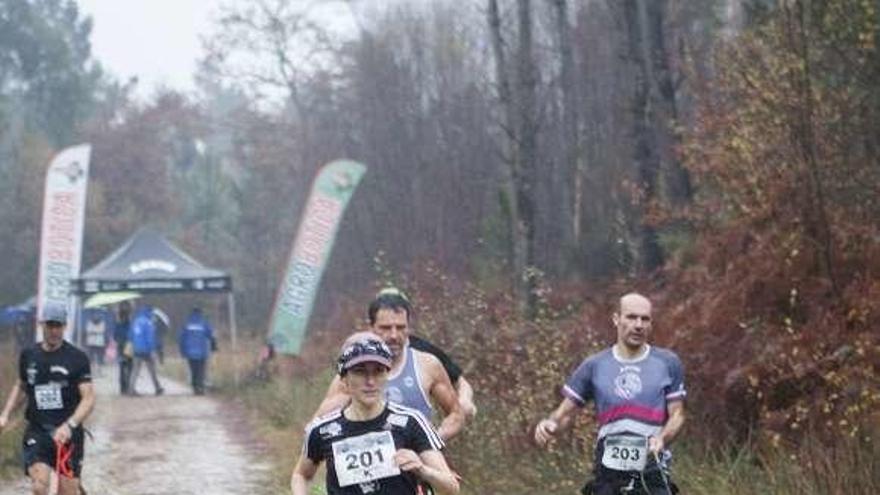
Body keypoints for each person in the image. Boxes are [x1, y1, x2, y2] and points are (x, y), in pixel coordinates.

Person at [534, 293, 686, 495]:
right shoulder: (594, 365)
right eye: (631, 317)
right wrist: (550, 425)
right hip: (608, 473)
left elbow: (678, 415)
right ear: (616, 319)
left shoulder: (668, 363)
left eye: (645, 319)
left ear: (651, 323)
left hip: (652, 470)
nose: (639, 325)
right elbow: (565, 414)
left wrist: (662, 439)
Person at [291, 333, 459, 495]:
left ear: (387, 376)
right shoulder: (322, 430)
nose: (370, 381)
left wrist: (423, 470)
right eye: (360, 371)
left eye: (378, 371)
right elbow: (301, 475)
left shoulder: (411, 422)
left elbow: (451, 487)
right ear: (344, 379)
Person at [315, 290, 467, 441]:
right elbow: (318, 425)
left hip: (418, 461)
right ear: (371, 328)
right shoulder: (353, 373)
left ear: (409, 327)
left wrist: (433, 439)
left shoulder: (427, 365)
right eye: (385, 328)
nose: (394, 335)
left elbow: (456, 414)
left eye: (401, 328)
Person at [0, 302, 96, 495]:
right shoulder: (29, 355)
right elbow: (21, 386)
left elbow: (89, 398)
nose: (53, 331)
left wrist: (70, 425)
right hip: (38, 431)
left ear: (64, 327)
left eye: (58, 326)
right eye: (49, 325)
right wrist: (5, 414)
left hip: (68, 434)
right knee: (39, 486)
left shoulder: (77, 358)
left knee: (67, 491)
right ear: (41, 325)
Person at [178, 307, 216, 395]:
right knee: (201, 370)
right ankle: (200, 387)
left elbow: (181, 339)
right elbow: (210, 335)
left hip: (189, 352)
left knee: (193, 370)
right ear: (200, 313)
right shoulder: (204, 323)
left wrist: (182, 351)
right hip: (202, 351)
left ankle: (195, 387)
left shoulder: (186, 324)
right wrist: (214, 346)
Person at [128, 305, 164, 396]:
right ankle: (157, 388)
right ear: (149, 312)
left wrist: (133, 345)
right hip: (146, 350)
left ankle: (131, 389)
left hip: (137, 349)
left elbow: (131, 335)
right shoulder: (148, 323)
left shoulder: (136, 321)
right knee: (152, 370)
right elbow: (150, 338)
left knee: (135, 370)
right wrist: (152, 350)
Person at [114, 302, 134, 395]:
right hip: (129, 346)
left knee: (122, 367)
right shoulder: (130, 322)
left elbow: (115, 336)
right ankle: (129, 386)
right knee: (130, 367)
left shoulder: (118, 322)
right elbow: (132, 334)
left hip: (120, 346)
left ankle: (122, 388)